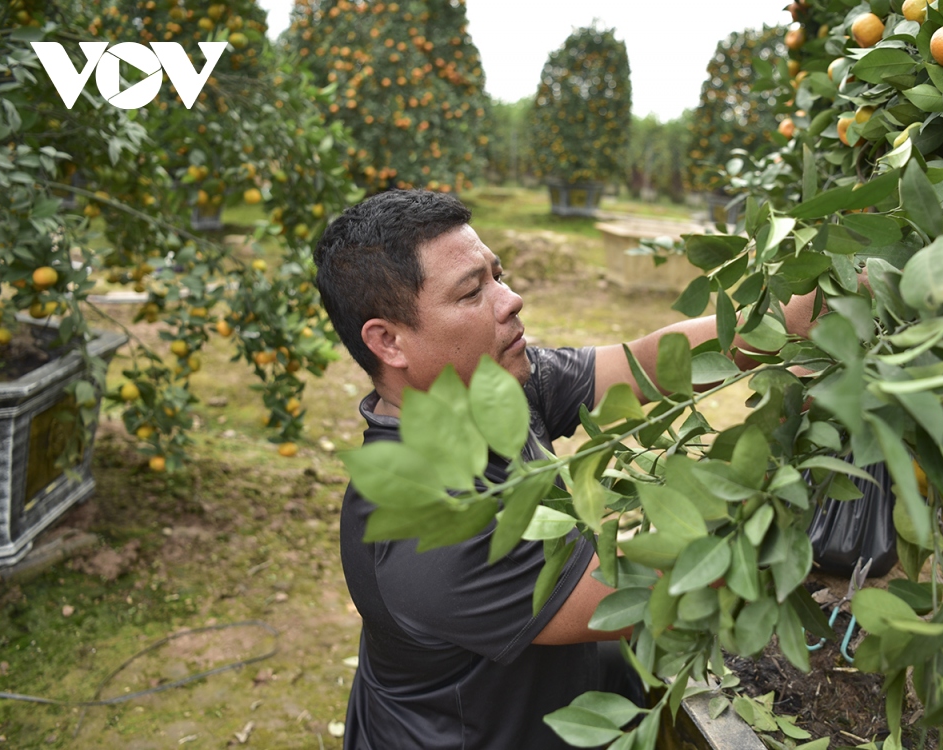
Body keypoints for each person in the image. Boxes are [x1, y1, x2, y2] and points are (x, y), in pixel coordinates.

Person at [312, 189, 822, 750]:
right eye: (471, 292)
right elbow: (659, 591)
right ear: (389, 341)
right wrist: (795, 470)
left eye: (497, 275)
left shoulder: (491, 385)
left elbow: (645, 365)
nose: (512, 300)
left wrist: (801, 318)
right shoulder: (427, 528)